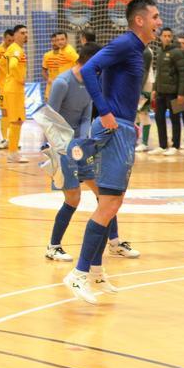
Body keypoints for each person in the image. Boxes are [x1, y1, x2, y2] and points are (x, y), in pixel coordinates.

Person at [63, 0, 163, 305]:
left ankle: (95, 270)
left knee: (113, 202)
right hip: (112, 128)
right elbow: (88, 70)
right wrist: (104, 111)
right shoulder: (125, 44)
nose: (160, 22)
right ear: (139, 20)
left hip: (122, 127)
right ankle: (78, 275)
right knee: (107, 204)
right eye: (155, 16)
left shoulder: (139, 50)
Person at [45, 44, 139, 263]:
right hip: (62, 148)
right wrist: (59, 148)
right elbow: (50, 118)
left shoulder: (91, 83)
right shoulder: (62, 82)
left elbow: (86, 117)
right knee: (73, 199)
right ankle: (53, 246)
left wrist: (86, 143)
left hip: (80, 147)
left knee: (105, 195)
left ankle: (114, 243)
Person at [150, 27, 184, 156]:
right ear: (160, 37)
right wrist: (155, 89)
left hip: (174, 92)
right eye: (164, 35)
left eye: (169, 36)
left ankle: (175, 145)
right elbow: (158, 73)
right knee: (159, 117)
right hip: (161, 92)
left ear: (172, 38)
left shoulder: (177, 52)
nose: (167, 38)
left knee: (175, 118)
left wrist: (181, 93)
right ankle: (162, 145)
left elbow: (183, 74)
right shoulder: (159, 51)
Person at [0, 24, 29, 163]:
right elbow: (12, 65)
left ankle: (13, 152)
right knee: (16, 121)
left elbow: (0, 63)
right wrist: (18, 78)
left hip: (11, 88)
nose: (25, 35)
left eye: (26, 33)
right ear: (16, 35)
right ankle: (12, 153)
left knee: (17, 120)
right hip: (15, 89)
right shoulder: (16, 49)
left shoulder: (11, 48)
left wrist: (9, 77)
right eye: (22, 33)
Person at [41, 31, 78, 102]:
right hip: (52, 88)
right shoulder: (50, 54)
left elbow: (80, 64)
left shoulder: (69, 51)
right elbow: (43, 71)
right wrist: (48, 79)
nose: (56, 42)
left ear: (67, 40)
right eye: (56, 40)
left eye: (62, 39)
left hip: (65, 88)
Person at [135, 45, 154, 152]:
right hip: (138, 83)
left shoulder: (147, 52)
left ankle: (145, 143)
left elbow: (145, 71)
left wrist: (139, 88)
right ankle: (134, 140)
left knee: (143, 113)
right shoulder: (138, 49)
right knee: (136, 114)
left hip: (145, 85)